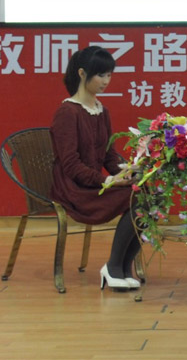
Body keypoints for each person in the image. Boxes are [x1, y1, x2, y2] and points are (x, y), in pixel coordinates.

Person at [50, 46, 141, 291]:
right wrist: (108, 181)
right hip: (74, 189)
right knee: (137, 198)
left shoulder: (102, 110)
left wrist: (126, 170)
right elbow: (71, 165)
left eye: (109, 75)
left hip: (93, 182)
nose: (106, 81)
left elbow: (108, 155)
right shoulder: (67, 113)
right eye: (101, 75)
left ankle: (124, 268)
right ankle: (113, 267)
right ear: (82, 73)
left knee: (148, 193)